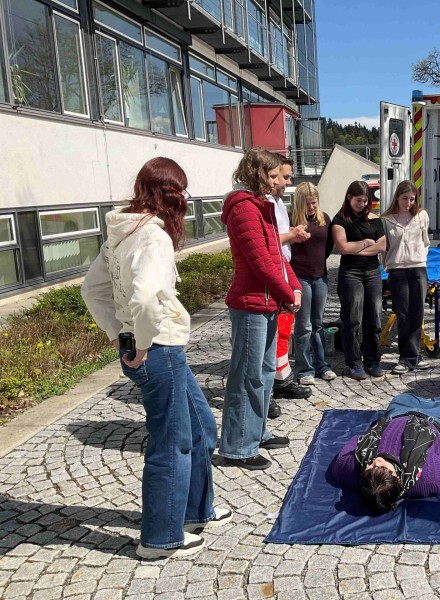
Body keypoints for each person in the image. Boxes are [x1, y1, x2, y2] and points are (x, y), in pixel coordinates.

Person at [81, 157, 229, 559]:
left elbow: (91, 291)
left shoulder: (122, 233)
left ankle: (196, 511)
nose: (183, 199)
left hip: (154, 348)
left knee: (200, 427)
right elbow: (145, 296)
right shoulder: (152, 237)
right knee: (172, 443)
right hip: (158, 350)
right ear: (170, 194)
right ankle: (161, 538)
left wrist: (122, 334)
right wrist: (140, 339)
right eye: (181, 191)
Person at [218, 148, 301, 471]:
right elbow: (260, 262)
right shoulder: (244, 209)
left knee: (265, 373)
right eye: (272, 174)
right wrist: (288, 293)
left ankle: (256, 432)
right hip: (251, 304)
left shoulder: (261, 207)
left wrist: (292, 285)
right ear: (257, 174)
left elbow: (277, 256)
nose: (278, 180)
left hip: (266, 302)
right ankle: (238, 447)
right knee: (248, 377)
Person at [331, 366, 440, 513]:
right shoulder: (428, 480)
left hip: (399, 414)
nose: (376, 462)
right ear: (398, 479)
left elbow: (355, 440)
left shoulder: (347, 469)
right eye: (383, 468)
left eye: (370, 468)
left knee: (401, 398)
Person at [331, 180, 387, 380]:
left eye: (365, 201)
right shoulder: (340, 220)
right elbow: (343, 248)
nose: (362, 204)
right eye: (358, 200)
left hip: (372, 273)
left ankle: (373, 361)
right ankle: (354, 362)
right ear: (349, 197)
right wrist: (365, 243)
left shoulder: (375, 220)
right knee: (352, 319)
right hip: (350, 274)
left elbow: (381, 246)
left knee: (374, 318)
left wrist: (359, 250)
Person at [269, 156, 313, 404]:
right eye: (283, 177)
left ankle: (281, 379)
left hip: (283, 266)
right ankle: (270, 388)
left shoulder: (277, 202)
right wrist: (292, 235)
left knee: (284, 330)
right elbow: (268, 240)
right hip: (274, 272)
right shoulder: (262, 203)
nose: (286, 182)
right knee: (272, 335)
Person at [381, 180, 432, 374]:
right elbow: (384, 247)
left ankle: (413, 357)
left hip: (418, 268)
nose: (408, 203)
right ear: (397, 198)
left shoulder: (421, 216)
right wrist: (389, 264)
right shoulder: (387, 219)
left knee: (417, 314)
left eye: (412, 199)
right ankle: (406, 357)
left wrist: (421, 258)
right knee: (403, 314)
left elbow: (425, 241)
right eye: (405, 199)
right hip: (396, 270)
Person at [290, 182, 336, 384]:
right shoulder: (291, 220)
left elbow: (328, 246)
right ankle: (303, 369)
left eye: (314, 203)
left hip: (320, 276)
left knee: (318, 324)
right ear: (300, 204)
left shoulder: (324, 219)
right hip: (300, 276)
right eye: (307, 204)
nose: (311, 208)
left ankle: (322, 365)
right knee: (303, 325)